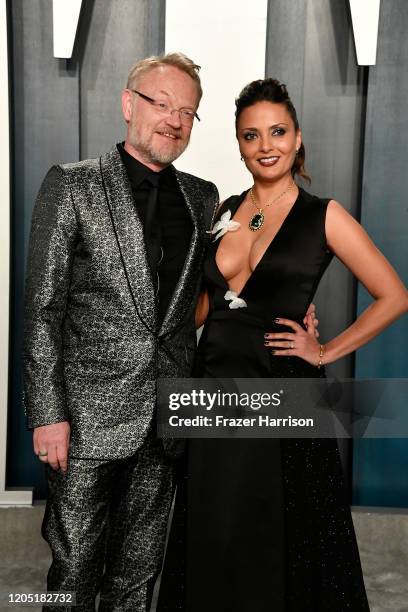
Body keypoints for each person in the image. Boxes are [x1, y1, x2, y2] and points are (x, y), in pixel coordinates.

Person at [157, 78, 408, 611]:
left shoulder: (325, 215)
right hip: (214, 390)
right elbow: (200, 310)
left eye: (277, 132)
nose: (265, 145)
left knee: (280, 535)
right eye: (251, 135)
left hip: (284, 391)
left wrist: (324, 351)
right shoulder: (222, 211)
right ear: (239, 143)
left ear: (297, 139)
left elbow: (394, 296)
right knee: (214, 527)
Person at [24, 52, 220, 612]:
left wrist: (290, 309)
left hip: (167, 421)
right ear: (128, 105)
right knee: (74, 572)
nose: (175, 120)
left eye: (188, 112)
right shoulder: (72, 185)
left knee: (139, 574)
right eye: (162, 104)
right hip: (84, 423)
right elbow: (42, 309)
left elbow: (202, 301)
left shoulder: (203, 197)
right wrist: (47, 413)